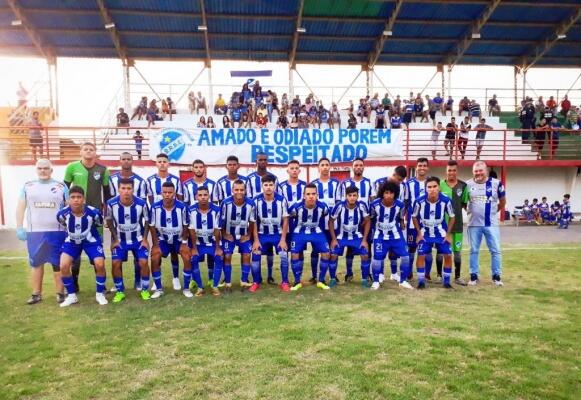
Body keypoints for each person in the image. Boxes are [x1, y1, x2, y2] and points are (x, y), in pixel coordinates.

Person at [16, 159, 68, 304]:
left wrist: (70, 228)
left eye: (46, 168)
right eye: (40, 168)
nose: (43, 171)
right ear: (36, 170)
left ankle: (60, 293)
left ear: (51, 170)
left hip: (57, 232)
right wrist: (20, 227)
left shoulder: (61, 186)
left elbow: (69, 208)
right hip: (35, 233)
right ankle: (36, 294)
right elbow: (20, 207)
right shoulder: (28, 186)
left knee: (57, 264)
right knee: (36, 263)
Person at [63, 142, 110, 292]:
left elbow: (107, 194)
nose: (89, 151)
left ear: (95, 153)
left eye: (91, 149)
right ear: (81, 152)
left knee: (97, 251)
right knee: (74, 252)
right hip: (75, 215)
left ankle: (101, 286)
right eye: (86, 149)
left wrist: (106, 214)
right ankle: (74, 282)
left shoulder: (103, 170)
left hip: (94, 216)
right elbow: (64, 189)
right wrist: (66, 208)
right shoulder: (72, 167)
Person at [57, 187, 107, 307]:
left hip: (90, 241)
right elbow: (63, 224)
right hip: (72, 242)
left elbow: (98, 223)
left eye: (79, 197)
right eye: (73, 197)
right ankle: (71, 296)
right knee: (63, 265)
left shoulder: (93, 212)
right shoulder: (62, 214)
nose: (76, 200)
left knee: (100, 264)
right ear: (68, 199)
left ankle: (100, 294)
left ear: (83, 199)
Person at [106, 179, 151, 302]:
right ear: (118, 189)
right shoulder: (111, 203)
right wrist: (114, 239)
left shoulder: (141, 203)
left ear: (133, 189)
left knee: (143, 262)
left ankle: (145, 290)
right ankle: (120, 291)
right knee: (115, 263)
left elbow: (147, 220)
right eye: (123, 188)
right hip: (120, 240)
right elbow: (109, 220)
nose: (126, 191)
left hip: (138, 240)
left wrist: (145, 239)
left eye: (129, 188)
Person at [146, 153, 184, 289]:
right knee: (157, 249)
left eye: (164, 161)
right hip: (158, 219)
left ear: (168, 164)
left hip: (173, 217)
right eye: (159, 161)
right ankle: (157, 282)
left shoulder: (176, 180)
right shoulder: (149, 180)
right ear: (156, 163)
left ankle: (175, 278)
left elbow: (180, 199)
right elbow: (150, 201)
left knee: (174, 251)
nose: (162, 163)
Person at [149, 182, 192, 298]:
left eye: (170, 192)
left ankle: (186, 288)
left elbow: (186, 225)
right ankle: (158, 288)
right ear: (161, 193)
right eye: (165, 192)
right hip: (163, 240)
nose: (167, 195)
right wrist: (155, 244)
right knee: (154, 256)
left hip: (178, 239)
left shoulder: (182, 207)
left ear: (174, 193)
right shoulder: (155, 207)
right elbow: (151, 226)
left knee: (187, 256)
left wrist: (184, 242)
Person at [466, 161, 506, 286]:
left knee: (495, 250)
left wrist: (493, 212)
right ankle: (473, 276)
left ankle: (496, 276)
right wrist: (472, 212)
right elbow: (463, 203)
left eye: (480, 170)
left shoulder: (496, 183)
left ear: (486, 171)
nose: (478, 173)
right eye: (476, 171)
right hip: (473, 224)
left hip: (491, 223)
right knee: (473, 250)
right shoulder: (467, 185)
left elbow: (503, 201)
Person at [412, 177, 456, 289]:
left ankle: (446, 282)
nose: (432, 189)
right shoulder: (419, 201)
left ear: (439, 188)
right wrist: (419, 233)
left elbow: (452, 217)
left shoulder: (446, 200)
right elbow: (414, 217)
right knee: (421, 255)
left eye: (434, 186)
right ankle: (421, 282)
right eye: (429, 187)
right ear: (426, 189)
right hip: (425, 233)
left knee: (448, 255)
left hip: (441, 233)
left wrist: (448, 234)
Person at [369, 181, 412, 290]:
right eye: (386, 193)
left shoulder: (400, 205)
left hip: (396, 235)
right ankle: (376, 281)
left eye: (391, 193)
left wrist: (402, 223)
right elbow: (372, 218)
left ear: (395, 194)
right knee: (377, 258)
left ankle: (403, 281)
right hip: (380, 236)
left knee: (406, 257)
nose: (388, 195)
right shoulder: (374, 205)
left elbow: (401, 217)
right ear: (382, 193)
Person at [251, 175, 290, 292]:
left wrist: (283, 239)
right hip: (262, 235)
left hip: (277, 235)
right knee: (256, 255)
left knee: (283, 255)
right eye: (266, 185)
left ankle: (284, 282)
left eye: (271, 185)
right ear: (262, 186)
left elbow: (286, 219)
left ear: (275, 186)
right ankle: (256, 281)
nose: (268, 187)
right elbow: (253, 222)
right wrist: (256, 240)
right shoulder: (256, 201)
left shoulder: (282, 200)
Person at [288, 184, 331, 291]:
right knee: (294, 254)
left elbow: (323, 218)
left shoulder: (323, 207)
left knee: (326, 252)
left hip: (316, 231)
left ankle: (321, 280)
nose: (311, 196)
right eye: (308, 194)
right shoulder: (296, 207)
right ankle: (297, 281)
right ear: (303, 195)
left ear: (317, 195)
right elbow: (289, 219)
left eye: (313, 194)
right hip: (300, 231)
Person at [328, 186, 371, 288]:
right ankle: (333, 278)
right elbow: (331, 221)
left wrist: (364, 240)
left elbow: (368, 220)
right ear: (346, 196)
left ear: (357, 196)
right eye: (350, 195)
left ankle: (364, 279)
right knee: (333, 254)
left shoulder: (362, 206)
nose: (352, 198)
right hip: (341, 237)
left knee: (365, 254)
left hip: (357, 236)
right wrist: (334, 239)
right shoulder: (339, 206)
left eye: (354, 195)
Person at [219, 179, 256, 293]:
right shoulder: (225, 203)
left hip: (244, 235)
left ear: (245, 191)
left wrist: (249, 235)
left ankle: (244, 281)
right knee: (227, 256)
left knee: (246, 255)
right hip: (229, 235)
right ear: (232, 191)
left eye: (241, 189)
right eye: (236, 189)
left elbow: (252, 221)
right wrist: (224, 234)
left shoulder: (251, 203)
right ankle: (228, 283)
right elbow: (221, 221)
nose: (239, 192)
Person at [188, 186, 224, 297]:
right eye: (200, 195)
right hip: (198, 244)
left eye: (205, 195)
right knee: (193, 259)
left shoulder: (217, 209)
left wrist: (218, 248)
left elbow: (217, 230)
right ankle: (200, 287)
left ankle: (215, 286)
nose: (203, 197)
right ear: (196, 197)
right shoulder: (191, 210)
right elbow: (191, 231)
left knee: (219, 258)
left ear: (209, 196)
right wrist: (193, 248)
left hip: (213, 243)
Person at [438, 160, 469, 285]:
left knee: (457, 252)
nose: (451, 172)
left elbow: (464, 204)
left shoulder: (463, 186)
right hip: (442, 226)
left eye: (454, 170)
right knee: (441, 251)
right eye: (449, 170)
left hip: (457, 225)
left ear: (457, 171)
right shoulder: (440, 184)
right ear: (446, 171)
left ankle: (457, 277)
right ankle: (439, 276)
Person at [310, 158, 341, 285]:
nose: (325, 167)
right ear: (318, 167)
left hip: (333, 223)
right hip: (318, 225)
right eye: (322, 165)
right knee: (316, 250)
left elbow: (339, 204)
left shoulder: (336, 184)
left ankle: (333, 276)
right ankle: (314, 276)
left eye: (327, 165)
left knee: (333, 251)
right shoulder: (313, 184)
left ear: (330, 167)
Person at [404, 158, 429, 281]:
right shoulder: (409, 183)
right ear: (416, 167)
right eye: (420, 166)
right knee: (412, 247)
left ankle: (427, 273)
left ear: (427, 167)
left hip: (428, 221)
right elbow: (406, 202)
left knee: (427, 246)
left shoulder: (431, 183)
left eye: (424, 166)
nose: (422, 168)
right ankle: (409, 272)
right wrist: (402, 219)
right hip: (412, 222)